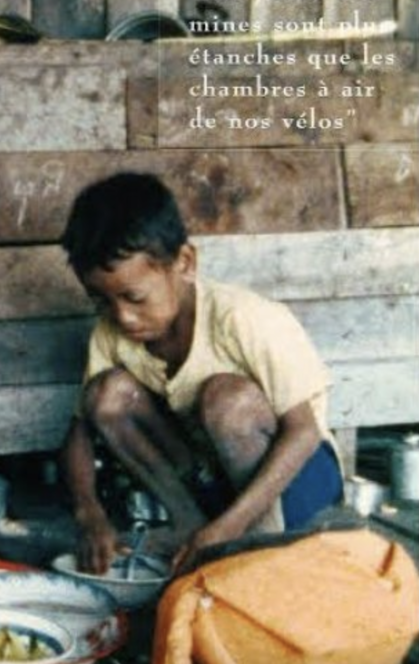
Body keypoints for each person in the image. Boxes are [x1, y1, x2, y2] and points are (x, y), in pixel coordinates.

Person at [59, 172, 343, 576]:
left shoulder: (244, 318)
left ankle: (257, 549)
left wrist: (229, 527)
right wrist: (89, 512)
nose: (122, 316)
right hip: (219, 485)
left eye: (134, 297)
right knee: (107, 394)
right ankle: (190, 526)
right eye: (101, 301)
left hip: (298, 483)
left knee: (225, 400)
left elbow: (304, 433)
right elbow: (80, 433)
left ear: (185, 263)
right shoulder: (111, 334)